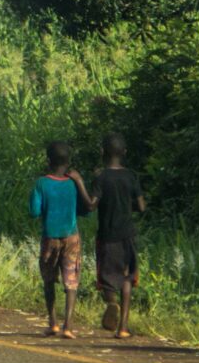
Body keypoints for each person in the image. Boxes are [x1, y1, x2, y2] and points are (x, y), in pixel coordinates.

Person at [30, 140, 93, 338]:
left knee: (49, 279)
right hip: (71, 236)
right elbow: (86, 209)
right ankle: (68, 325)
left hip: (50, 236)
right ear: (69, 161)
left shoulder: (41, 183)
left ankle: (53, 322)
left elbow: (34, 211)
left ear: (48, 160)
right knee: (71, 280)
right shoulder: (73, 183)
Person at [91, 133, 146, 337]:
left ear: (102, 152)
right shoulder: (131, 176)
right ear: (125, 153)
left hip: (107, 235)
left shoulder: (101, 176)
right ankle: (123, 327)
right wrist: (126, 204)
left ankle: (111, 303)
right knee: (127, 277)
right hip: (128, 235)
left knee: (106, 276)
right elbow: (141, 206)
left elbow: (93, 204)